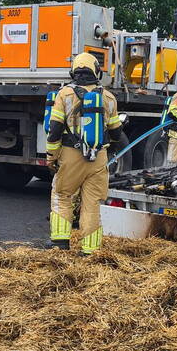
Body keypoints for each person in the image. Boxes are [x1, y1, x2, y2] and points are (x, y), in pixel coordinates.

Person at [45, 53, 124, 254]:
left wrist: (51, 156)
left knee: (63, 195)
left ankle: (60, 243)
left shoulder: (64, 94)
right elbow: (116, 132)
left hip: (71, 154)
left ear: (74, 70)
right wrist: (110, 150)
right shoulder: (108, 97)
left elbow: (54, 129)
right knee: (92, 204)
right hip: (99, 156)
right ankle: (90, 250)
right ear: (96, 70)